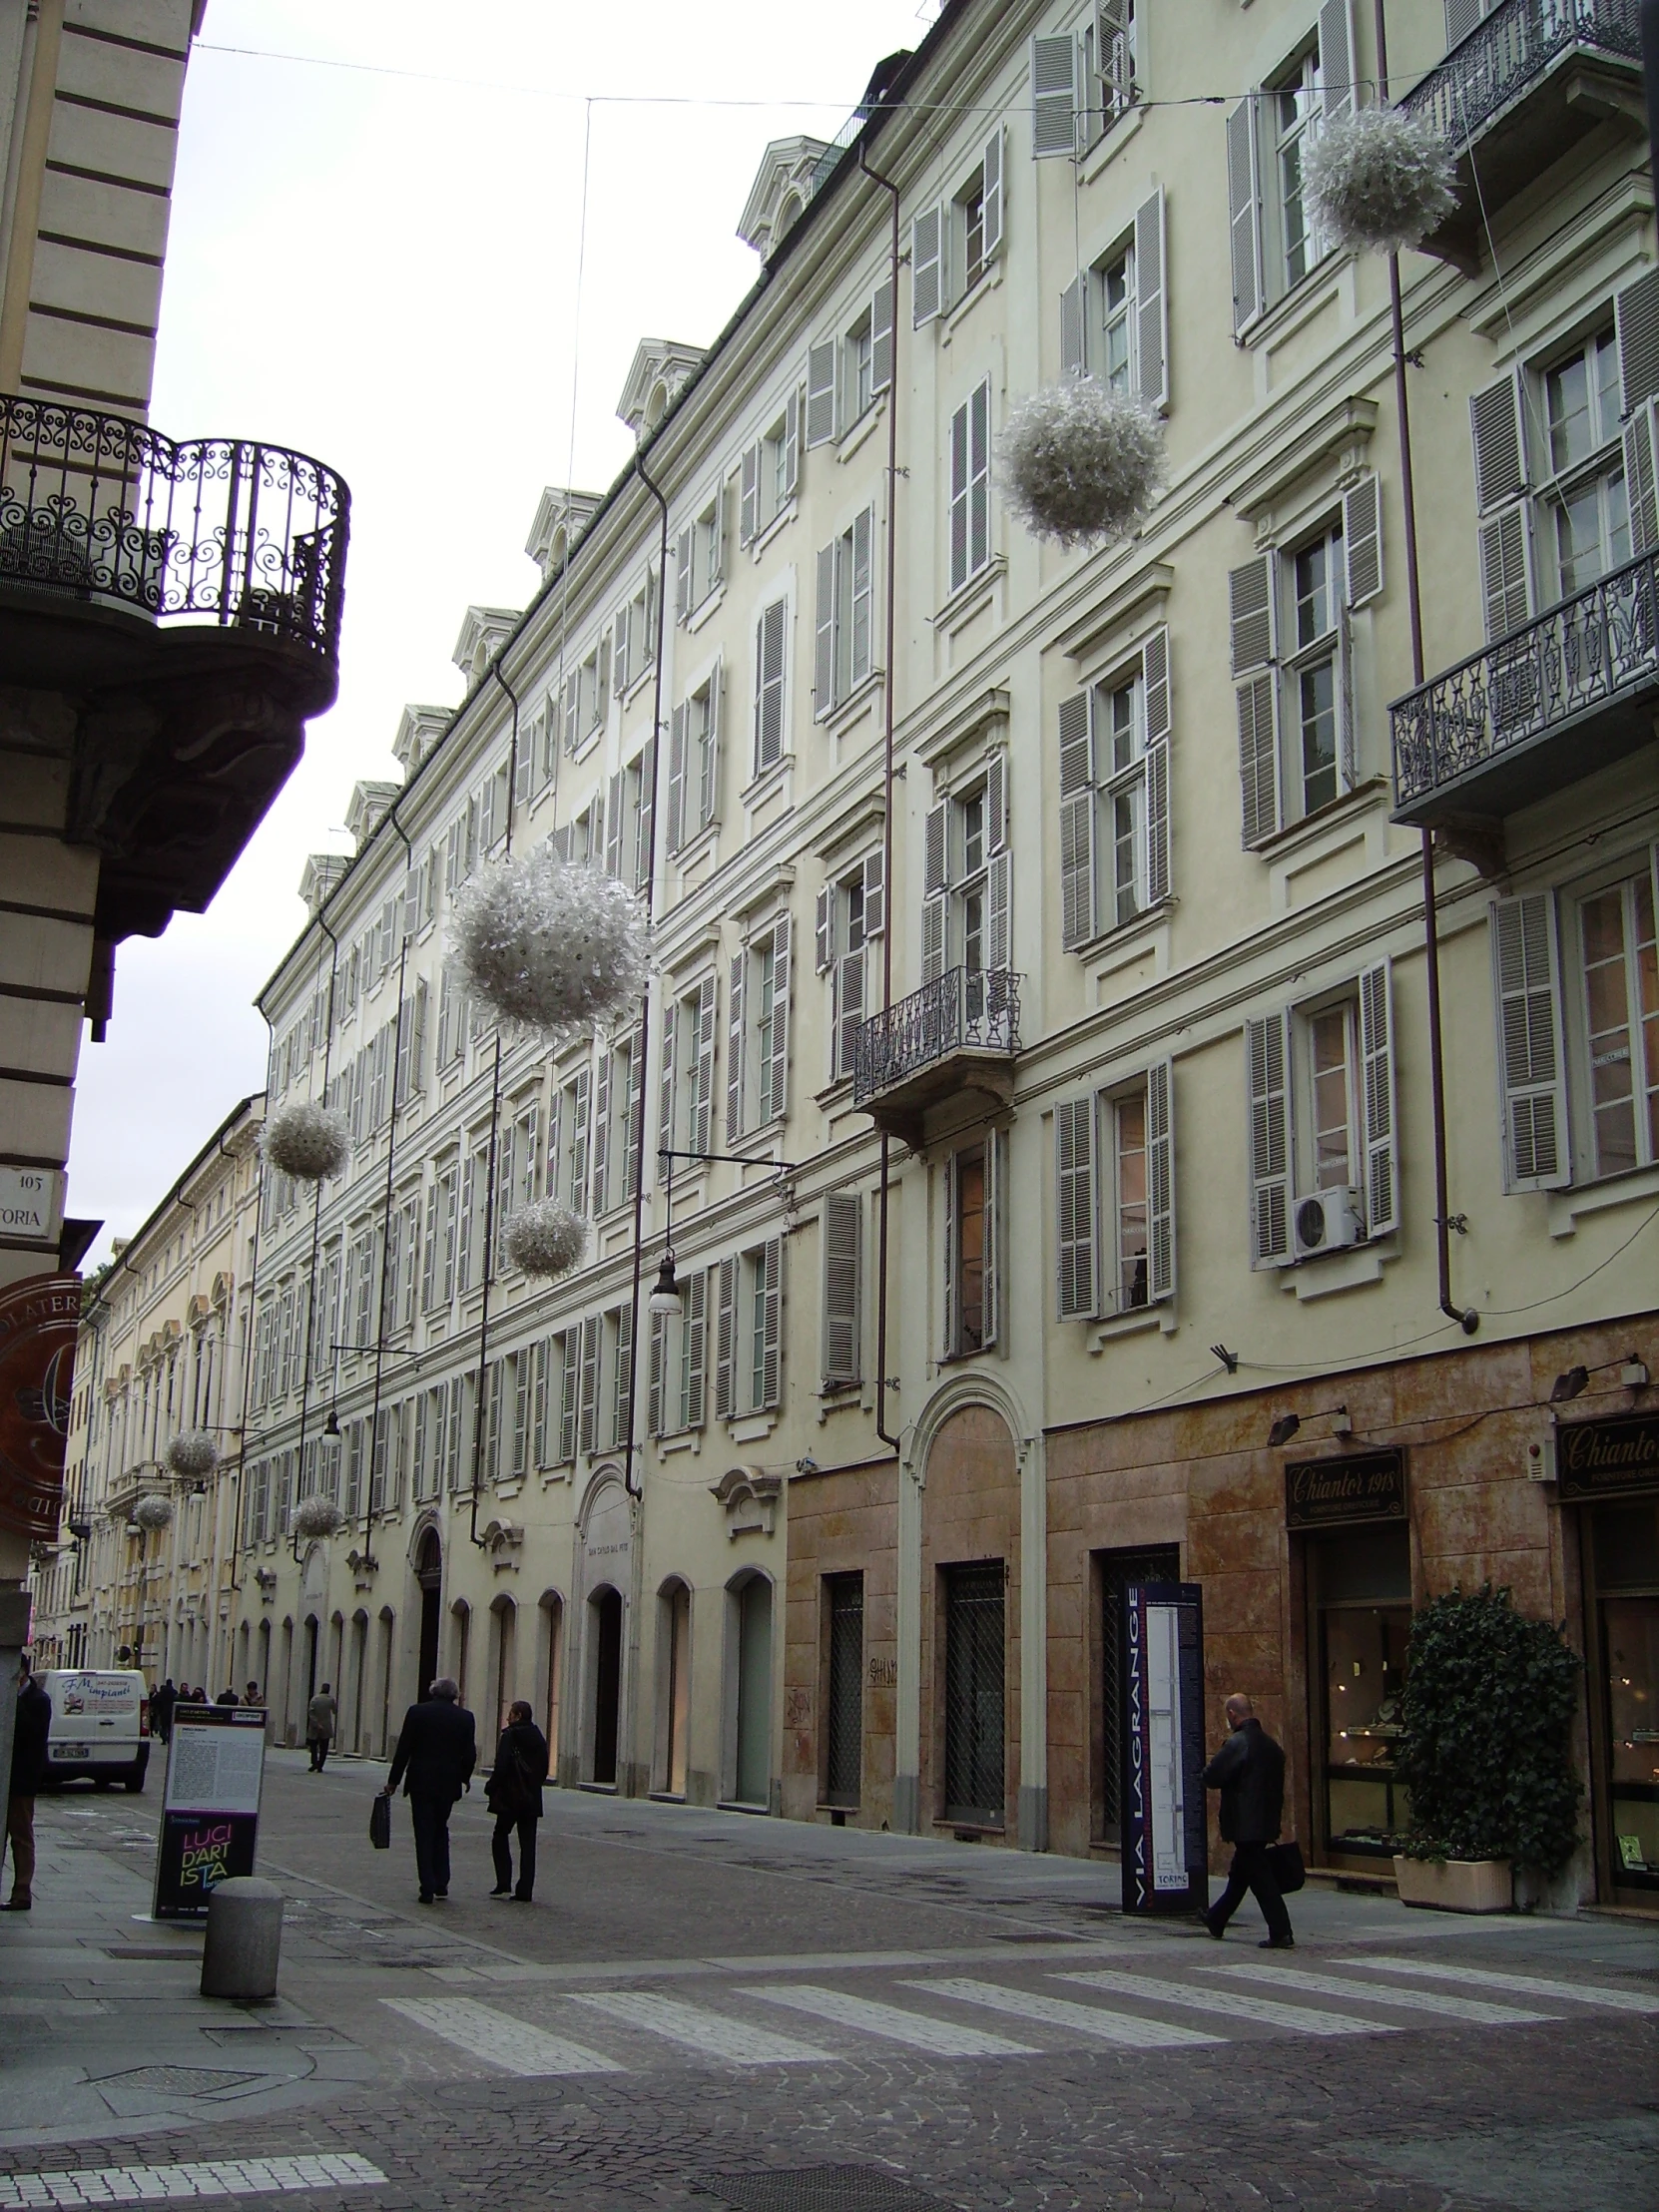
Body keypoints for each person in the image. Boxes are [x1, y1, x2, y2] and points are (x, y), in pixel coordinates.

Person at [1202, 1692, 1294, 1949]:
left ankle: (1281, 1931)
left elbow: (1212, 1776)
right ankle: (1216, 1918)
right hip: (1265, 1822)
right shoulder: (1271, 1745)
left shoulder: (1238, 1743)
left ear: (1232, 1714)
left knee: (1261, 1878)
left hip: (1245, 1823)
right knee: (1240, 1874)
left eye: (1227, 1716)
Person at [381, 1678, 476, 1905]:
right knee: (441, 1828)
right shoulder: (465, 1717)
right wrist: (464, 1777)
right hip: (448, 1782)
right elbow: (470, 1753)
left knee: (424, 1832)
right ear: (455, 1695)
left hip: (421, 1781)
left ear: (433, 1692)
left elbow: (404, 1748)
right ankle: (442, 1881)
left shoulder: (417, 1713)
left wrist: (393, 1781)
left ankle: (427, 1885)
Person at [486, 1700, 548, 1904]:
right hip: (531, 1797)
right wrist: (533, 1785)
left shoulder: (510, 1736)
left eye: (510, 1714)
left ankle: (503, 1882)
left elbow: (501, 1767)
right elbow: (544, 1768)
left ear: (518, 1716)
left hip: (510, 1797)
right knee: (528, 1844)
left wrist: (492, 1787)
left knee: (500, 1835)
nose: (507, 1718)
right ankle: (525, 1889)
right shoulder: (538, 1737)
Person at [2, 1658, 52, 1911]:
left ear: (21, 1671)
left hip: (21, 1780)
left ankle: (22, 1893)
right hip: (4, 1776)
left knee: (21, 1837)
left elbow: (31, 1734)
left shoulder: (38, 1700)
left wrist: (12, 1700)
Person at [306, 1682, 337, 1772]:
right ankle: (320, 1765)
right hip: (326, 1726)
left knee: (313, 1747)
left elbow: (311, 1713)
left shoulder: (315, 1699)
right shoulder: (331, 1700)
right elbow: (335, 1711)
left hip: (314, 1727)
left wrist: (316, 1723)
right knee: (324, 1748)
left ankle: (314, 1763)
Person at [151, 1678, 176, 1745]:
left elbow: (158, 1701)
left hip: (163, 1711)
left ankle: (164, 1739)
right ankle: (169, 1739)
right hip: (171, 1711)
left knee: (163, 1726)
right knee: (170, 1727)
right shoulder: (174, 1691)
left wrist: (158, 1709)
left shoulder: (162, 1691)